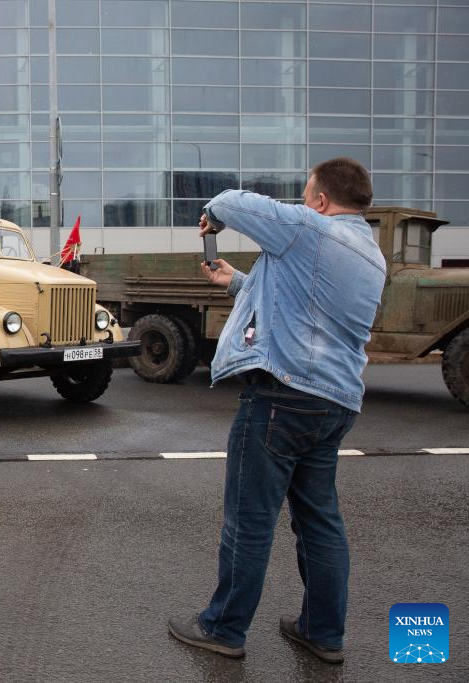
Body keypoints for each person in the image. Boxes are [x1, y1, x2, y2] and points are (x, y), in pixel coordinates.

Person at [167, 158, 385, 664]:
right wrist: (236, 282)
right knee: (319, 522)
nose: (302, 203)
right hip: (334, 403)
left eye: (306, 195)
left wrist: (212, 217)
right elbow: (305, 305)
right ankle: (323, 633)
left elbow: (230, 202)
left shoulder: (310, 228)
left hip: (281, 397)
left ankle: (223, 628)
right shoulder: (371, 256)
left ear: (321, 200)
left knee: (249, 521)